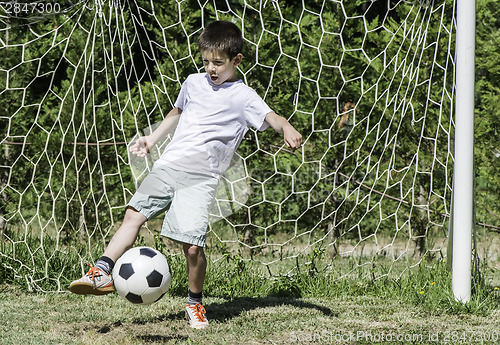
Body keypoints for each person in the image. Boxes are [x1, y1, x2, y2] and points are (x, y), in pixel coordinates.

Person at [69, 20, 302, 329]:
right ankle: (100, 271)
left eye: (218, 62)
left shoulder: (244, 96)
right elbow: (176, 113)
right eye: (206, 61)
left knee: (192, 247)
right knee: (133, 215)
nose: (211, 68)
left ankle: (194, 302)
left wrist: (286, 127)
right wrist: (152, 139)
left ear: (237, 60)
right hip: (169, 164)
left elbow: (270, 116)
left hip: (202, 177)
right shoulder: (193, 82)